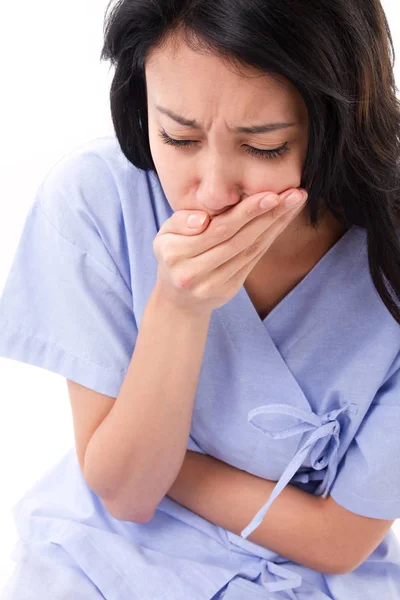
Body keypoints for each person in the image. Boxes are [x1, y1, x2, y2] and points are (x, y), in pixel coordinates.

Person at [1, 0, 400, 598]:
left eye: (264, 147)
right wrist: (177, 307)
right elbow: (126, 495)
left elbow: (339, 542)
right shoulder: (96, 201)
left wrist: (152, 460)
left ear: (341, 122)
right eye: (178, 136)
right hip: (103, 556)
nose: (211, 191)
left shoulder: (387, 249)